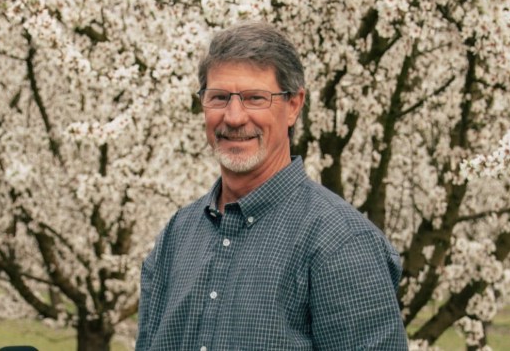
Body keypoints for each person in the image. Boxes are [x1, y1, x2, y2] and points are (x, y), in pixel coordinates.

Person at [136, 22, 409, 350]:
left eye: (255, 98)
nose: (234, 117)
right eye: (219, 97)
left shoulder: (341, 243)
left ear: (293, 105)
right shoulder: (177, 235)